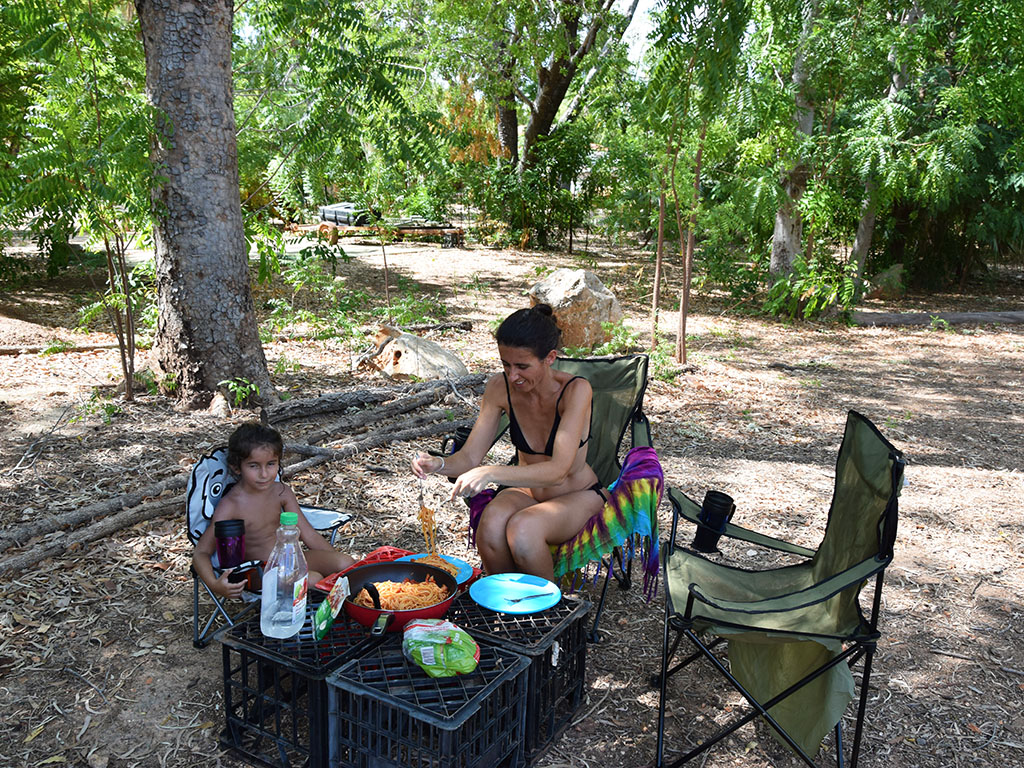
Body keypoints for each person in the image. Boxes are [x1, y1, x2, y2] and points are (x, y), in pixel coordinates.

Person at [411, 304, 606, 581]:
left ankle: (547, 617)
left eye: (522, 366)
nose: (513, 376)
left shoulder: (575, 391)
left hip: (577, 494)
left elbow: (558, 470)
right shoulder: (498, 388)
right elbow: (468, 459)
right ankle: (508, 611)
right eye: (506, 364)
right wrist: (437, 464)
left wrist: (491, 472)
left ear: (550, 358)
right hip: (527, 492)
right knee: (489, 528)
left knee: (524, 531)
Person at [192, 423, 355, 599]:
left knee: (347, 564)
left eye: (271, 464)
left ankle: (349, 603)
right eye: (254, 466)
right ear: (236, 467)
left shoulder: (281, 492)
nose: (264, 474)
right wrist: (215, 584)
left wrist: (338, 565)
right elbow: (201, 553)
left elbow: (309, 535)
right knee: (313, 580)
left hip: (291, 559)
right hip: (259, 572)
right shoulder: (231, 505)